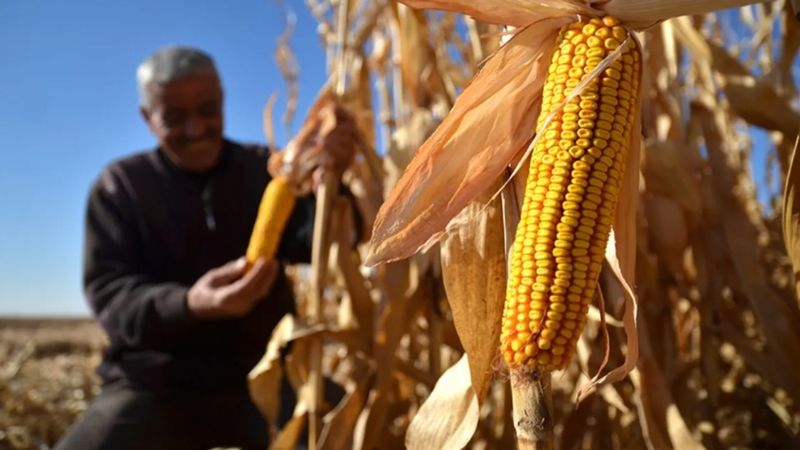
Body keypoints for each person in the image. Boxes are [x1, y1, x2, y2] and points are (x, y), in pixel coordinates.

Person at [55, 46, 357, 450]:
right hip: (156, 382)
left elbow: (331, 239)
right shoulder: (120, 187)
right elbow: (111, 295)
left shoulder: (262, 169)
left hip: (266, 371)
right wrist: (190, 304)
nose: (195, 128)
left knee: (349, 435)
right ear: (147, 119)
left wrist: (333, 184)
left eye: (207, 109)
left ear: (223, 102)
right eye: (174, 117)